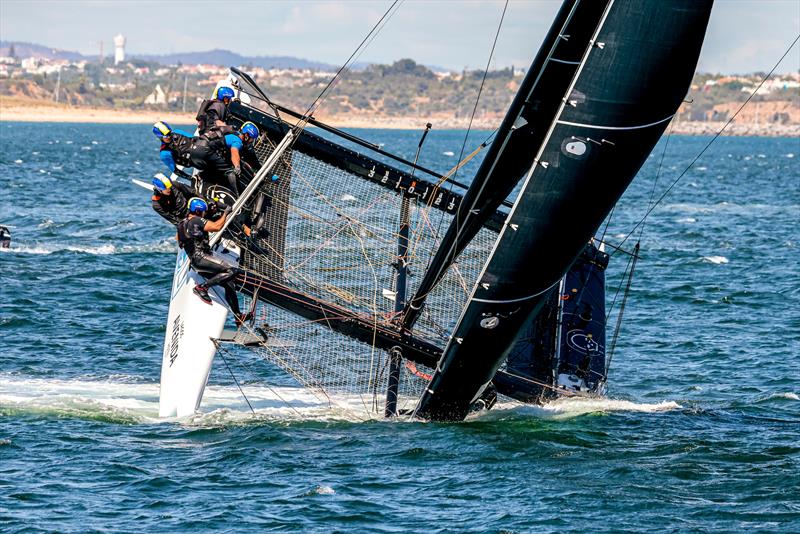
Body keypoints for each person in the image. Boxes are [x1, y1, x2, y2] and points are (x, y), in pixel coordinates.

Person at [177, 197, 251, 325]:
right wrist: (225, 213)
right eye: (204, 211)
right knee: (231, 271)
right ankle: (202, 288)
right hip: (201, 258)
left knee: (229, 283)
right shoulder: (197, 219)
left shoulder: (181, 224)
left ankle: (238, 316)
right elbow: (217, 227)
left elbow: (180, 243)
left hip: (196, 262)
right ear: (199, 211)